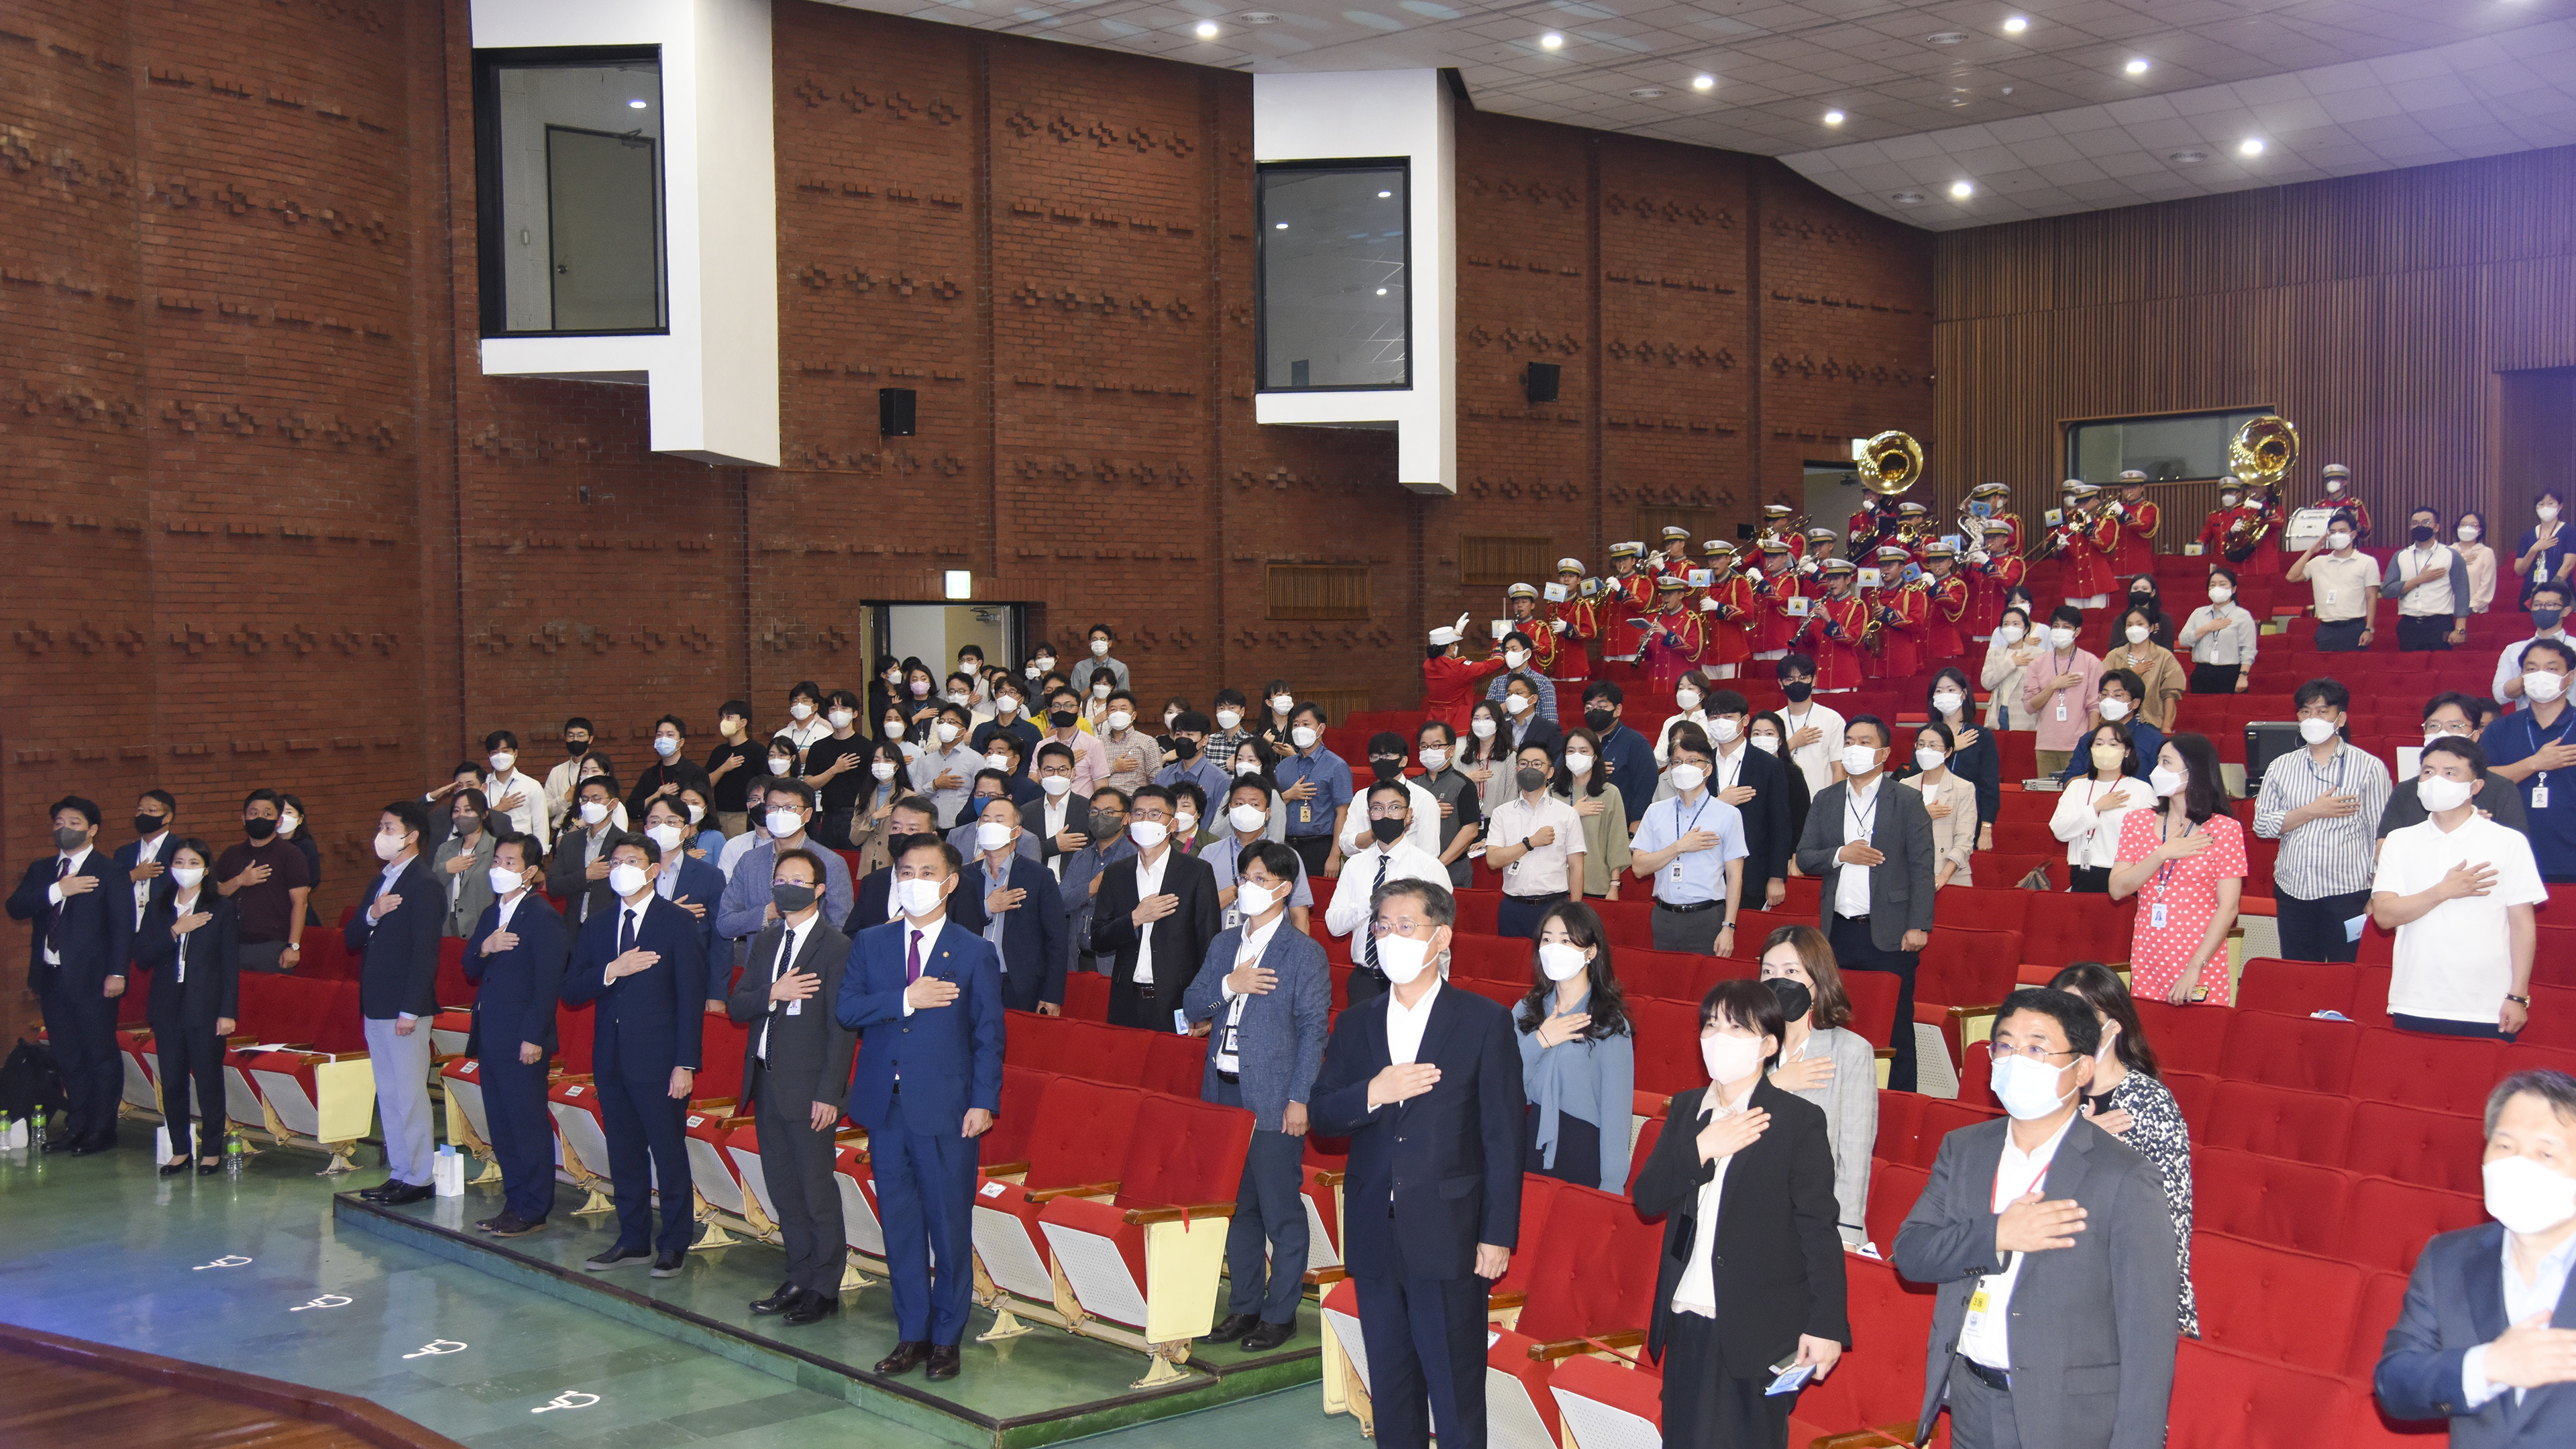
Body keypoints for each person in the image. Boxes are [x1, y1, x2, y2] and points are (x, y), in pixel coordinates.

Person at [1892, 988, 2180, 1449]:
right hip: (1970, 1401)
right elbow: (1911, 1253)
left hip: (2068, 1418)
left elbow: (2148, 1334)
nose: (2015, 1059)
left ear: (2082, 1069)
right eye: (2005, 1045)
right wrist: (1997, 1235)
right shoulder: (1964, 1149)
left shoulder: (2123, 1175)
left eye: (2036, 1048)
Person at [1308, 879, 1524, 1449]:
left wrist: (1497, 1233)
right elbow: (1323, 1114)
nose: (1390, 936)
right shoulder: (1357, 1022)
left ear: (1442, 937)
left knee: (1455, 1392)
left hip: (1450, 1235)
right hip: (1376, 1233)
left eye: (1406, 926)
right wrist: (1373, 1092)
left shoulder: (1483, 1021)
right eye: (1382, 926)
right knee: (1393, 1387)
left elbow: (1504, 1137)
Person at [1633, 977, 1849, 1449]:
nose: (1717, 1040)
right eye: (1710, 1027)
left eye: (1735, 1029)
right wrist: (1702, 1149)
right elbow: (1647, 1198)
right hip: (1687, 1312)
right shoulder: (1690, 1109)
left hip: (1759, 1326)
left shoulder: (1796, 1120)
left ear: (1768, 1044)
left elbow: (1818, 1230)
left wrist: (1827, 1325)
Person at [836, 837, 1005, 1381]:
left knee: (949, 1224)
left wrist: (984, 1101)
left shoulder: (973, 949)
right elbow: (847, 1009)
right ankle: (912, 1332)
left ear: (950, 882)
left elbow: (988, 1036)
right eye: (905, 870)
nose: (913, 880)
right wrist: (905, 999)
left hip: (948, 1110)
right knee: (902, 1225)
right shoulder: (872, 941)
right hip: (886, 1109)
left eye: (926, 871)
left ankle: (947, 1338)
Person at [2374, 1068, 2576, 1444]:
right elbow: (2394, 1384)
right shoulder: (2447, 1259)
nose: (2518, 1165)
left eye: (2545, 1152)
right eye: (2504, 1146)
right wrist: (2488, 1366)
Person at [1185, 843, 1331, 1351]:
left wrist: (1300, 1098)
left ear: (1285, 888)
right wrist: (1231, 983)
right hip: (1221, 1095)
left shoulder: (1304, 953)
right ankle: (1244, 1307)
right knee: (1235, 1209)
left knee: (1279, 1212)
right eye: (1245, 875)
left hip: (1273, 1099)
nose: (1249, 885)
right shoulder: (1225, 945)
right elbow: (1192, 1002)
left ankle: (1280, 1312)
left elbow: (1315, 1031)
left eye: (1261, 877)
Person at [562, 836, 711, 1277]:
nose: (622, 868)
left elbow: (690, 997)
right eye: (616, 861)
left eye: (633, 861)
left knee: (667, 1153)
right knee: (623, 1152)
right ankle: (632, 1239)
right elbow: (572, 988)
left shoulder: (675, 923)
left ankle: (674, 1243)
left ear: (652, 870)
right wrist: (612, 970)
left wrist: (685, 1062)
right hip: (611, 1057)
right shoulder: (599, 924)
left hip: (662, 1060)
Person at [724, 847, 857, 1324]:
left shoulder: (837, 946)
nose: (787, 887)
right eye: (781, 879)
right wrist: (773, 994)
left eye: (798, 880)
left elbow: (842, 1030)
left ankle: (825, 1285)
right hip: (765, 1081)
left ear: (819, 889)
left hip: (809, 1090)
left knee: (816, 1189)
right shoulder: (765, 941)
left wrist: (830, 1094)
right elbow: (739, 1006)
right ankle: (799, 1273)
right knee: (783, 1188)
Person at [2047, 963, 2198, 1337]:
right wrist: (2072, 1139)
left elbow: (2169, 1220)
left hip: (2125, 1292)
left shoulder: (2149, 1102)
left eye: (2082, 1018)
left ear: (2114, 1027)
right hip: (2050, 1274)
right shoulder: (2044, 1097)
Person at [2373, 737, 2548, 1040]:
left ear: (2476, 786)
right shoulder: (2399, 841)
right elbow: (2385, 916)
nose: (2435, 780)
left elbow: (2522, 925)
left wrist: (2518, 996)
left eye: (2450, 773)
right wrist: (2443, 890)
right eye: (2428, 772)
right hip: (2415, 999)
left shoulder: (2508, 841)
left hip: (2485, 1003)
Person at [1794, 716, 1935, 1091]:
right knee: (1831, 1021)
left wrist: (1919, 924)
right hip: (1836, 931)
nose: (1855, 749)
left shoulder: (1906, 799)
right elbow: (1805, 856)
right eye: (1850, 741)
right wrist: (1841, 854)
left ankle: (1902, 1101)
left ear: (1885, 752)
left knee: (1896, 1025)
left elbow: (1923, 866)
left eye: (1865, 742)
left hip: (1890, 932)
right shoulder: (1826, 798)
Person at [462, 833, 565, 1236]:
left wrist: (534, 1037)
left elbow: (547, 983)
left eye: (510, 862)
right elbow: (470, 968)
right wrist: (485, 947)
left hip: (523, 1037)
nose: (500, 869)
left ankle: (534, 1207)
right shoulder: (492, 915)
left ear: (531, 871)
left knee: (526, 1123)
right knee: (501, 1123)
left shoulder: (542, 917)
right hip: (491, 1034)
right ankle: (514, 1201)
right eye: (497, 861)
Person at [2255, 678, 2394, 962]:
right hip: (2292, 891)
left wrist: (2377, 892)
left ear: (2340, 718)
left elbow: (2380, 835)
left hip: (2347, 894)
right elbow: (2262, 825)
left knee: (2343, 973)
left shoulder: (2369, 767)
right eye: (2305, 712)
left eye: (2322, 711)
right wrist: (2313, 811)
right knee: (2298, 973)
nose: (2312, 719)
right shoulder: (2281, 766)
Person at [347, 802, 443, 1203]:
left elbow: (425, 952)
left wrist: (410, 1008)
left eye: (389, 827)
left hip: (406, 1009)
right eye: (381, 826)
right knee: (387, 1095)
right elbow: (352, 938)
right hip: (376, 1003)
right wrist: (373, 913)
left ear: (412, 835)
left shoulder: (424, 883)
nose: (382, 833)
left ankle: (420, 1177)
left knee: (408, 1094)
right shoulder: (382, 881)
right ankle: (401, 1170)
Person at [1757, 927, 1877, 1246]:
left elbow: (1854, 1152)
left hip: (1813, 1222)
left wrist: (1847, 1234)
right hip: (1751, 1207)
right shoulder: (1748, 1044)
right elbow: (1724, 1118)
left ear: (1818, 979)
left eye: (1791, 971)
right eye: (1768, 971)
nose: (1777, 981)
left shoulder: (1850, 1051)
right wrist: (1774, 1085)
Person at [2110, 734, 2246, 1006]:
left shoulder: (2225, 829)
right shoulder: (2137, 821)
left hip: (2200, 956)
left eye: (2166, 762)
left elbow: (2229, 907)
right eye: (2158, 761)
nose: (2157, 770)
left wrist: (2196, 965)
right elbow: (2117, 889)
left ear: (2192, 771)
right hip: (2149, 952)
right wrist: (2162, 854)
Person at [1515, 903, 1635, 1193]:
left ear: (1591, 952)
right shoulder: (1525, 1010)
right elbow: (1503, 1083)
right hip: (1524, 1140)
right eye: (1547, 939)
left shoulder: (1609, 1021)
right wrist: (1541, 1041)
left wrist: (1612, 1184)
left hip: (1581, 1149)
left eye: (1566, 940)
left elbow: (1616, 1113)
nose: (1554, 947)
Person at [135, 839, 237, 1175]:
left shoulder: (220, 907)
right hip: (167, 1006)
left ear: (206, 869)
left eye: (193, 863)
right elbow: (143, 957)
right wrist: (176, 930)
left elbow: (229, 965)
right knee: (174, 1080)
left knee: (208, 1080)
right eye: (179, 862)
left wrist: (227, 1012)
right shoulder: (159, 907)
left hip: (205, 1007)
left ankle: (211, 1151)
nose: (185, 869)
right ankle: (180, 1149)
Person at [1092, 784, 1222, 1030]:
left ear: (1172, 825)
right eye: (1139, 814)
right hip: (1125, 999)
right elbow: (1098, 939)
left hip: (1177, 1000)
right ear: (1128, 821)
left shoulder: (1197, 872)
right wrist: (1134, 918)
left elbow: (1209, 944)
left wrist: (1205, 1006)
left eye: (1155, 814)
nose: (1145, 820)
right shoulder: (1116, 873)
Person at [1327, 780, 1450, 1001]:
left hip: (1412, 981)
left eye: (1394, 808)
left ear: (1408, 814)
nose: (1386, 815)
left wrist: (1437, 990)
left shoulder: (1429, 867)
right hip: (1363, 979)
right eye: (1378, 808)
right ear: (1369, 815)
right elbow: (1334, 926)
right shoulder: (1355, 865)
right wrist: (1373, 901)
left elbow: (1441, 938)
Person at [1629, 727, 1747, 955]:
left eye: (1693, 761)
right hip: (1664, 917)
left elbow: (1735, 876)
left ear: (1708, 769)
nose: (1684, 767)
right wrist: (1679, 847)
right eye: (1677, 762)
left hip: (1707, 917)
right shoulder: (1655, 812)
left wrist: (1728, 927)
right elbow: (1639, 867)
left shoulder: (1728, 814)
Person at [949, 795, 1067, 1014]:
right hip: (970, 981)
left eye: (999, 820)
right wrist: (986, 907)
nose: (990, 825)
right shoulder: (963, 877)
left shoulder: (1040, 876)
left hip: (1021, 985)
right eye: (985, 820)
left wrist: (1052, 995)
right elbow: (950, 928)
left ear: (1017, 832)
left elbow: (1057, 940)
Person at [718, 780, 856, 961]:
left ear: (807, 815)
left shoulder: (831, 862)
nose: (780, 814)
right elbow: (725, 923)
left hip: (810, 970)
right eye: (773, 808)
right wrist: (768, 913)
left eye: (790, 808)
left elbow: (841, 927)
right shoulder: (749, 861)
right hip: (759, 970)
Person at [2485, 637, 2576, 883]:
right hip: (2511, 861)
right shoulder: (2500, 729)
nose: (2540, 676)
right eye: (2531, 669)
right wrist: (2534, 764)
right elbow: (2480, 782)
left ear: (2570, 677)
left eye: (2552, 668)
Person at [2382, 694, 2529, 841]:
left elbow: (2515, 847)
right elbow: (2383, 849)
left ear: (2475, 735)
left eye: (2454, 726)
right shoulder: (2405, 791)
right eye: (2434, 726)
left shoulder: (2500, 789)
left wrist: (2479, 830)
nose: (2443, 733)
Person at [1487, 741, 1584, 940]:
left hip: (1554, 906)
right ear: (1516, 770)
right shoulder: (1501, 813)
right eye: (1523, 764)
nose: (1529, 769)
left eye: (1537, 764)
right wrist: (1530, 842)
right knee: (1512, 967)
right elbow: (1493, 860)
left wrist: (1575, 913)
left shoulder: (1566, 814)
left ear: (1550, 772)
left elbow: (1577, 868)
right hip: (1513, 907)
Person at [217, 789, 311, 973]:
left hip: (272, 947)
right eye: (254, 813)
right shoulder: (231, 854)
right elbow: (216, 892)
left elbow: (300, 903)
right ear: (243, 819)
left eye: (267, 814)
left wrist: (293, 946)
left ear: (279, 821)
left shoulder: (291, 855)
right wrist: (240, 881)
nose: (260, 818)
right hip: (232, 944)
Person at [2053, 725, 2147, 893]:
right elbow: (2060, 830)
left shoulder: (2142, 789)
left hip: (2125, 874)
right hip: (2082, 873)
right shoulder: (2076, 787)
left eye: (2113, 744)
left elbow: (2148, 842)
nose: (2105, 749)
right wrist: (2096, 808)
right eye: (2099, 744)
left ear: (2127, 751)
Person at [2023, 606, 2104, 779]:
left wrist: (2091, 742)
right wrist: (2053, 686)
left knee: (2077, 796)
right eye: (2056, 626)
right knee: (2047, 798)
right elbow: (2030, 706)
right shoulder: (2038, 664)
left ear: (2077, 632)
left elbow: (2094, 706)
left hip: (2078, 745)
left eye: (2066, 627)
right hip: (2046, 744)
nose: (2060, 631)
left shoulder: (2091, 663)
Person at [1276, 702, 1354, 877]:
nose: (1299, 729)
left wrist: (1335, 855)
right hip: (1286, 845)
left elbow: (1343, 813)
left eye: (1306, 724)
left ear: (1320, 728)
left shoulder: (1336, 766)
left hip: (1320, 846)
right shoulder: (1283, 767)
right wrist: (1289, 795)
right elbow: (1272, 805)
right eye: (1296, 725)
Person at [2051, 669, 2164, 789]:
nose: (2109, 700)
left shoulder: (2154, 740)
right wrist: (2099, 775)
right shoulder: (2088, 739)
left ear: (2135, 703)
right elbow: (2068, 783)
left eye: (2118, 695)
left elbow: (2161, 789)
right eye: (2104, 695)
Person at [1898, 722, 1978, 889]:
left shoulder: (1963, 788)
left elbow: (1965, 840)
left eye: (1933, 745)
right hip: (1909, 874)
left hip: (1951, 877)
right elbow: (1894, 831)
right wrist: (1922, 815)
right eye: (1921, 745)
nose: (1925, 750)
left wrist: (1943, 876)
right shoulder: (1905, 785)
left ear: (1948, 751)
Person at [1926, 671, 2001, 851]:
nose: (1945, 695)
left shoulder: (1982, 736)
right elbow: (1914, 774)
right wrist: (1951, 748)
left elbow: (1989, 787)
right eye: (1939, 691)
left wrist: (1986, 830)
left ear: (1964, 694)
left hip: (1967, 819)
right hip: (1930, 816)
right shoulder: (1926, 734)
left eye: (1951, 690)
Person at [1555, 729, 1631, 902]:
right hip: (1557, 884)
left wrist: (1614, 885)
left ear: (1595, 756)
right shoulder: (1552, 793)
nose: (1577, 755)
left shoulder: (1610, 793)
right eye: (1571, 751)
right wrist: (1573, 813)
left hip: (1597, 884)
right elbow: (1545, 835)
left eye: (1584, 751)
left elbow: (1617, 842)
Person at [1340, 733, 1444, 862]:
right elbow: (1346, 846)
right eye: (1375, 757)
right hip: (1366, 871)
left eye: (1387, 756)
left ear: (1403, 761)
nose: (1381, 761)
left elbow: (1429, 854)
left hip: (1407, 875)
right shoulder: (1361, 797)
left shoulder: (1424, 799)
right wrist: (1377, 831)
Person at [548, 774, 632, 928]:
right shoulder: (569, 841)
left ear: (613, 803)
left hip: (610, 928)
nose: (589, 804)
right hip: (573, 929)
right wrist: (586, 875)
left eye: (596, 799)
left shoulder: (627, 844)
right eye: (585, 799)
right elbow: (553, 886)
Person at [2385, 505, 2473, 652]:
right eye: (2415, 523)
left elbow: (2462, 593)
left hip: (2441, 624)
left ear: (2437, 527)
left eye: (2426, 522)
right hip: (2408, 625)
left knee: (2440, 668)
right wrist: (2419, 579)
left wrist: (2460, 630)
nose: (2420, 526)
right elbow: (2388, 591)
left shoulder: (2451, 555)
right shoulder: (2400, 556)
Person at [2289, 515, 2379, 651]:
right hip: (2326, 629)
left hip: (2354, 628)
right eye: (2332, 532)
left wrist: (2369, 629)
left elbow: (2372, 597)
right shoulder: (2319, 562)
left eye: (2342, 531)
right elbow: (2292, 577)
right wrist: (2311, 551)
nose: (2337, 535)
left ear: (2353, 535)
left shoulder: (2367, 562)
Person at [1578, 681, 1661, 827]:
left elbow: (1644, 793)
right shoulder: (1577, 742)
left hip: (1618, 826)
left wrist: (1632, 835)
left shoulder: (1636, 743)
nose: (1594, 712)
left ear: (1618, 710)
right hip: (1578, 823)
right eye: (1589, 707)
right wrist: (1588, 771)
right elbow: (1557, 778)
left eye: (1601, 707)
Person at [1413, 720, 1485, 890]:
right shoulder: (1412, 786)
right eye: (1424, 747)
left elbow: (1470, 830)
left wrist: (1437, 864)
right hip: (1416, 870)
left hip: (1452, 872)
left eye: (1436, 746)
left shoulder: (1463, 784)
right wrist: (1426, 811)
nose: (1429, 751)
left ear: (1451, 750)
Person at [2100, 602, 2184, 732]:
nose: (2134, 628)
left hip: (2151, 723)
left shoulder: (2164, 656)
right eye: (2129, 625)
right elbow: (2103, 688)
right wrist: (2132, 673)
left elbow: (2170, 694)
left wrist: (2166, 726)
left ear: (2151, 628)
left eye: (2140, 624)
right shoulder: (2114, 656)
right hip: (2115, 724)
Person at [2176, 568, 2258, 694]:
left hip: (2231, 673)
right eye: (2213, 585)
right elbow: (2183, 640)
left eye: (2222, 584)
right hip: (2202, 672)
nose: (2217, 588)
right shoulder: (2199, 613)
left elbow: (2248, 649)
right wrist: (2207, 628)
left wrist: (2243, 676)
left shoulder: (2242, 615)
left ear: (2234, 589)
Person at [1776, 653, 1847, 798]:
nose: (1797, 682)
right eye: (1790, 679)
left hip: (1819, 800)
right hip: (1781, 799)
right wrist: (1791, 744)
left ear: (1813, 680)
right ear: (1781, 683)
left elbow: (1838, 767)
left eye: (1803, 678)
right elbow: (1762, 763)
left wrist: (1833, 802)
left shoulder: (1832, 719)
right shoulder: (1773, 720)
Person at [433, 788, 500, 939]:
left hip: (481, 925)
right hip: (447, 926)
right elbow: (431, 889)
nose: (461, 815)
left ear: (484, 814)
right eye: (456, 811)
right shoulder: (445, 849)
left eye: (468, 810)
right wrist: (446, 869)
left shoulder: (496, 848)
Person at [1420, 615, 1503, 736]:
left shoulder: (1428, 665)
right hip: (1458, 725)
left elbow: (1439, 651)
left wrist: (1456, 632)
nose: (1456, 647)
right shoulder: (1459, 668)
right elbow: (1494, 664)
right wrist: (1500, 641)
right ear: (1450, 647)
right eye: (1455, 643)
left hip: (1434, 724)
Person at [2495, 580, 2571, 706]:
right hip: (2526, 721)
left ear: (2565, 611)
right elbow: (2500, 696)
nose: (2542, 609)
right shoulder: (2514, 650)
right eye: (2537, 605)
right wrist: (2531, 678)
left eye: (2550, 605)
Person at [1749, 711, 1815, 848]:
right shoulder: (1743, 771)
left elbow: (1801, 819)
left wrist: (1795, 855)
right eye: (1756, 734)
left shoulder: (1792, 774)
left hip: (1784, 850)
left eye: (1769, 734)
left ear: (1780, 741)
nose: (1762, 738)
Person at [117, 790, 176, 938]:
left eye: (152, 810)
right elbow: (111, 889)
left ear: (168, 817)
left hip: (166, 931)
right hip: (129, 932)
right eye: (140, 810)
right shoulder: (124, 853)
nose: (144, 815)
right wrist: (133, 875)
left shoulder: (180, 849)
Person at [845, 739, 910, 875]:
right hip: (869, 864)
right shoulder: (863, 796)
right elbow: (855, 839)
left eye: (887, 761)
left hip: (894, 863)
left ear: (897, 766)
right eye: (876, 760)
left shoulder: (908, 797)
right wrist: (873, 818)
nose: (881, 765)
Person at [702, 700, 763, 837]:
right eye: (722, 718)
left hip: (745, 816)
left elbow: (764, 783)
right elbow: (706, 782)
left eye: (729, 717)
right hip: (721, 815)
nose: (724, 722)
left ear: (743, 722)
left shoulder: (757, 750)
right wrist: (724, 768)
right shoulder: (719, 752)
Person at [2510, 488, 2575, 608]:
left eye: (2550, 503)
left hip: (2560, 593)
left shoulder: (2569, 532)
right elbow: (2519, 570)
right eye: (2541, 504)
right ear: (2536, 508)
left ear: (2560, 507)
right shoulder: (2527, 535)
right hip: (2530, 593)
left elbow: (2568, 565)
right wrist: (2534, 549)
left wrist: (2549, 591)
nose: (2545, 507)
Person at [1981, 606, 2040, 730]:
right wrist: (2011, 663)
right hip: (1998, 713)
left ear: (2026, 629)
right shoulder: (1994, 653)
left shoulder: (2039, 654)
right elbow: (1987, 683)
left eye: (2015, 624)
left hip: (2025, 715)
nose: (2010, 628)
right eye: (2006, 624)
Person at [543, 716, 596, 833]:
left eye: (581, 735)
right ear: (565, 738)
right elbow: (545, 809)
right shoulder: (557, 772)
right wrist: (565, 798)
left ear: (591, 739)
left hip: (591, 832)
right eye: (571, 735)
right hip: (561, 833)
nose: (575, 739)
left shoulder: (599, 769)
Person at [2458, 512, 2500, 615]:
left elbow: (2487, 585)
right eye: (2463, 524)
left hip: (2475, 612)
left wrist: (2469, 607)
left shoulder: (2486, 553)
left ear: (2480, 531)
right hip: (2447, 611)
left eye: (2473, 525)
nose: (2467, 528)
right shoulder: (2448, 551)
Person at [1082, 623, 1132, 694]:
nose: (1099, 643)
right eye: (1095, 640)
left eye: (1103, 639)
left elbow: (1124, 696)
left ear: (1110, 643)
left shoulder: (1121, 668)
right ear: (1090, 643)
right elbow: (1074, 698)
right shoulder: (1080, 667)